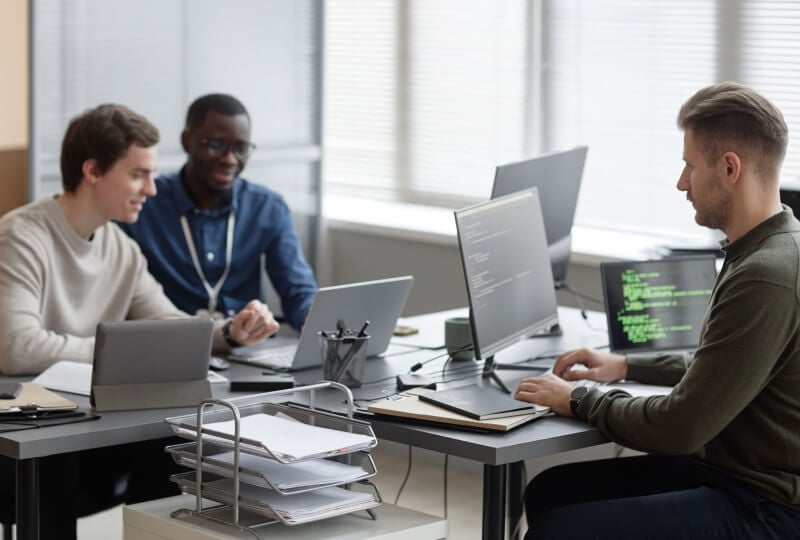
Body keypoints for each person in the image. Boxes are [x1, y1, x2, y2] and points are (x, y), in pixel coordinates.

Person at [514, 82, 800, 539]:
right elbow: (725, 367)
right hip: (734, 477)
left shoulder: (765, 274)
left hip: (768, 507)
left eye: (689, 165)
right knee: (551, 491)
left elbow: (680, 427)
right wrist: (624, 365)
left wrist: (578, 398)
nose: (681, 182)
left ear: (729, 168)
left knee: (564, 528)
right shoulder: (770, 247)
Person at [0, 103, 279, 539]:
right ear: (93, 170)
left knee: (171, 445)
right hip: (29, 439)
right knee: (60, 465)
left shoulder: (120, 247)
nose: (151, 189)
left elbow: (169, 326)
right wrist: (119, 355)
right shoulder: (21, 237)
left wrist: (228, 332)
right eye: (138, 174)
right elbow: (18, 347)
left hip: (89, 426)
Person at [118, 93, 317, 332]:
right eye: (216, 146)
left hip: (247, 349)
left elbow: (298, 290)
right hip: (172, 348)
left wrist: (316, 322)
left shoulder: (267, 207)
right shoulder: (143, 205)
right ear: (186, 141)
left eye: (241, 148)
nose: (229, 159)